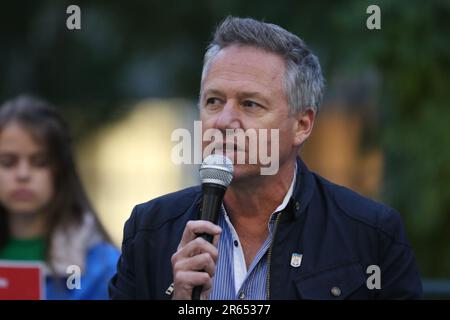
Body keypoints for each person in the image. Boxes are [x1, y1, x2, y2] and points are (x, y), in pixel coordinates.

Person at [109, 16, 422, 299]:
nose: (224, 121)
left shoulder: (370, 235)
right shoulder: (149, 231)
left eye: (250, 105)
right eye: (214, 101)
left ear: (302, 125)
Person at [0, 95, 120, 299]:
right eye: (8, 162)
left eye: (40, 162)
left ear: (62, 171)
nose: (23, 174)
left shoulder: (104, 266)